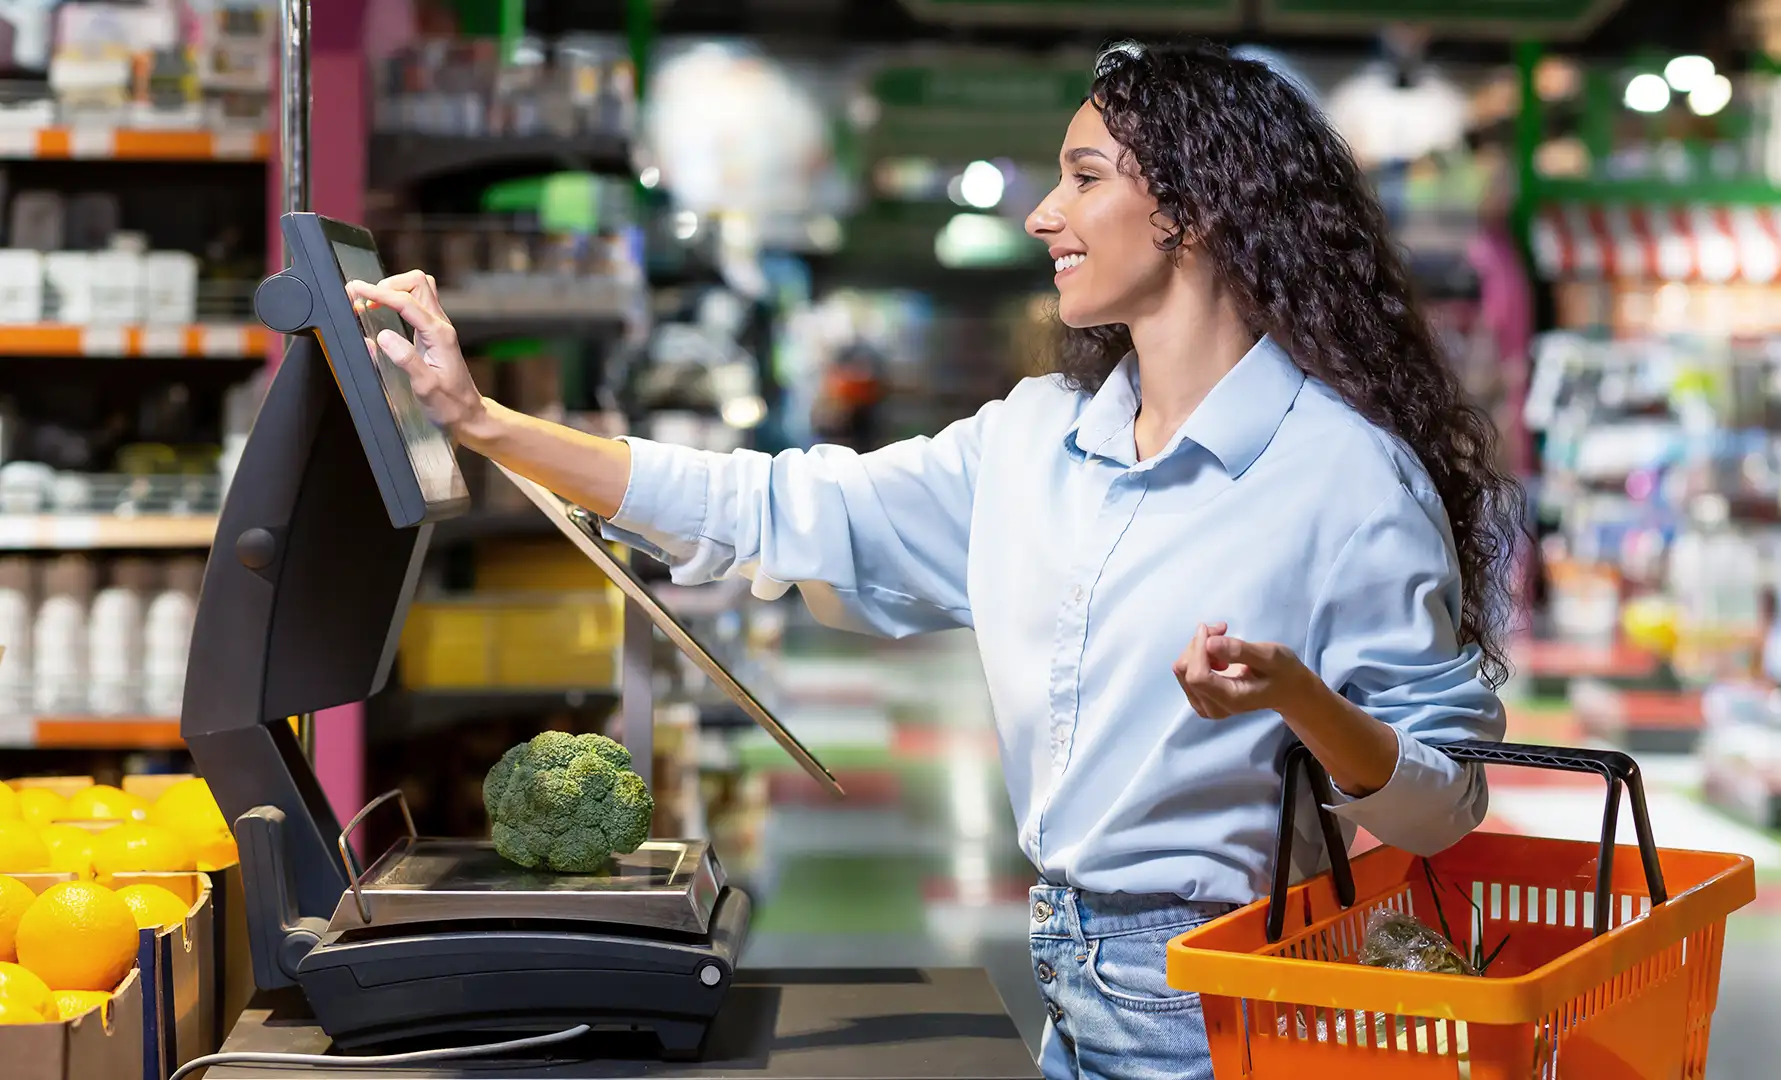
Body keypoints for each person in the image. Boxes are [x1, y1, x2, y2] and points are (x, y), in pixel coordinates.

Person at [349, 40, 1522, 1080]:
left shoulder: (1345, 475)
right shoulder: (1032, 444)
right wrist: (487, 423)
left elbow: (1443, 808)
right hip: (1067, 981)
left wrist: (1298, 699)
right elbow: (767, 501)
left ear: (1193, 210)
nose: (1042, 216)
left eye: (1084, 177)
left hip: (1232, 995)